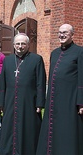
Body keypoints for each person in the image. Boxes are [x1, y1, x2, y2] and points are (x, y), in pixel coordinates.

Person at [36, 24, 83, 155]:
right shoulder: (54, 53)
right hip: (53, 100)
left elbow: (82, 79)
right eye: (60, 32)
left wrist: (81, 102)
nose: (61, 35)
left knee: (68, 130)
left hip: (70, 99)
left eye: (65, 33)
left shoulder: (79, 51)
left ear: (72, 34)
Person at [0, 33, 46, 155]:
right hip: (10, 102)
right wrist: (1, 103)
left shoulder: (36, 59)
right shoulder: (8, 60)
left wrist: (39, 103)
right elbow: (2, 83)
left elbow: (41, 82)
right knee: (9, 128)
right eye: (18, 44)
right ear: (13, 45)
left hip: (29, 101)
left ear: (28, 45)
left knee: (28, 128)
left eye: (23, 44)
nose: (20, 46)